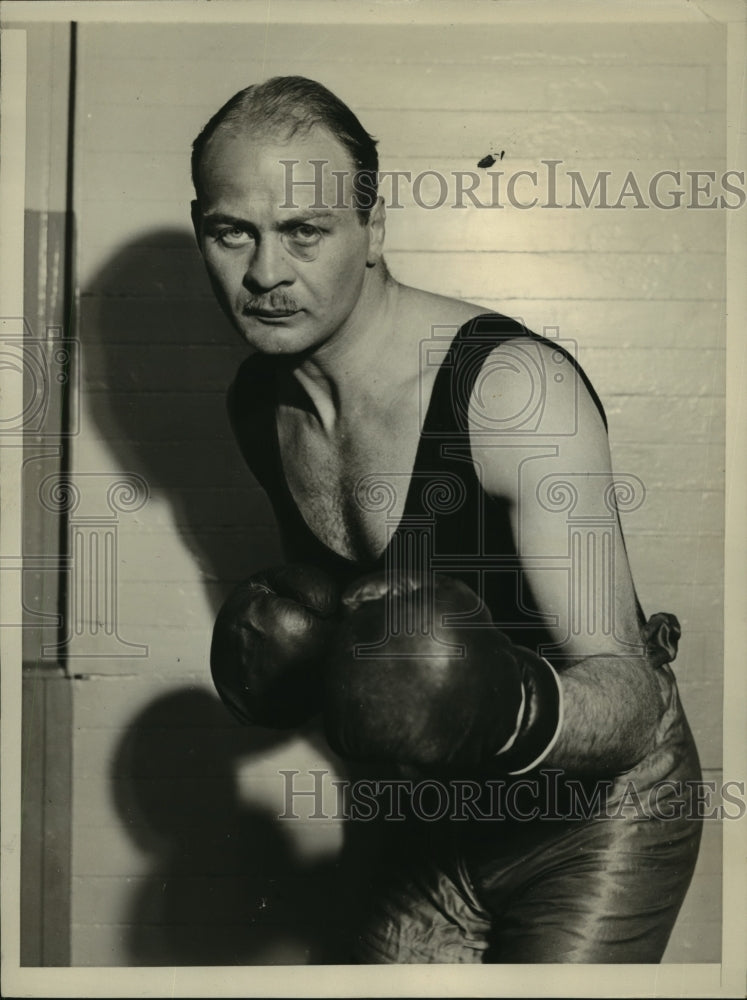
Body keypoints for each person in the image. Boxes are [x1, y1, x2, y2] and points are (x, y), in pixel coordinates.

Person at [191, 76, 702, 964]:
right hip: (432, 811)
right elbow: (388, 656)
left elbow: (624, 697)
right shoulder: (257, 408)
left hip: (601, 811)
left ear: (374, 228)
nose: (266, 273)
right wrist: (313, 664)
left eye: (304, 231)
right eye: (233, 231)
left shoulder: (512, 392)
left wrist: (497, 702)